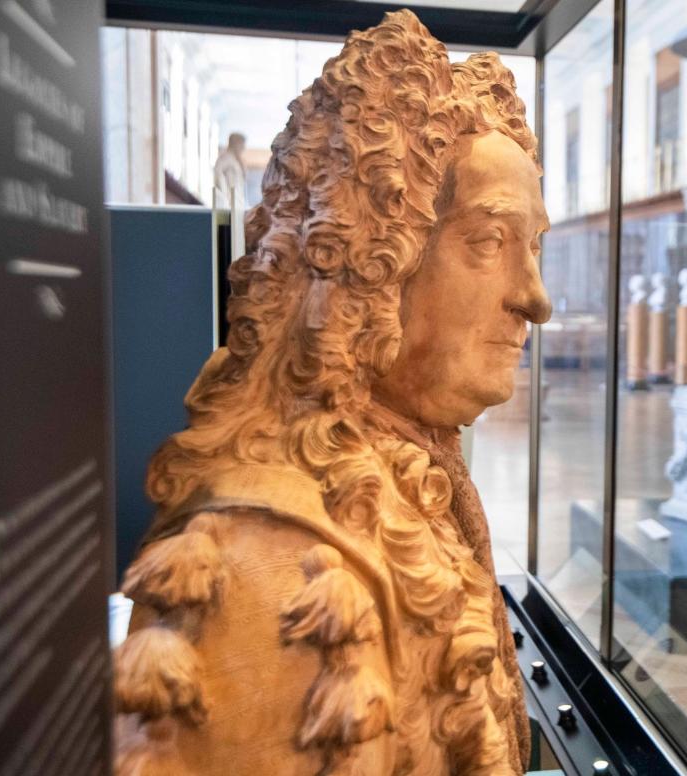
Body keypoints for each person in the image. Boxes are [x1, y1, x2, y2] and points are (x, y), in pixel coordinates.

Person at [113, 12, 548, 776]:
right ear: (371, 265)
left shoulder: (414, 477)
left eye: (533, 247)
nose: (535, 297)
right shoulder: (263, 570)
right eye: (490, 242)